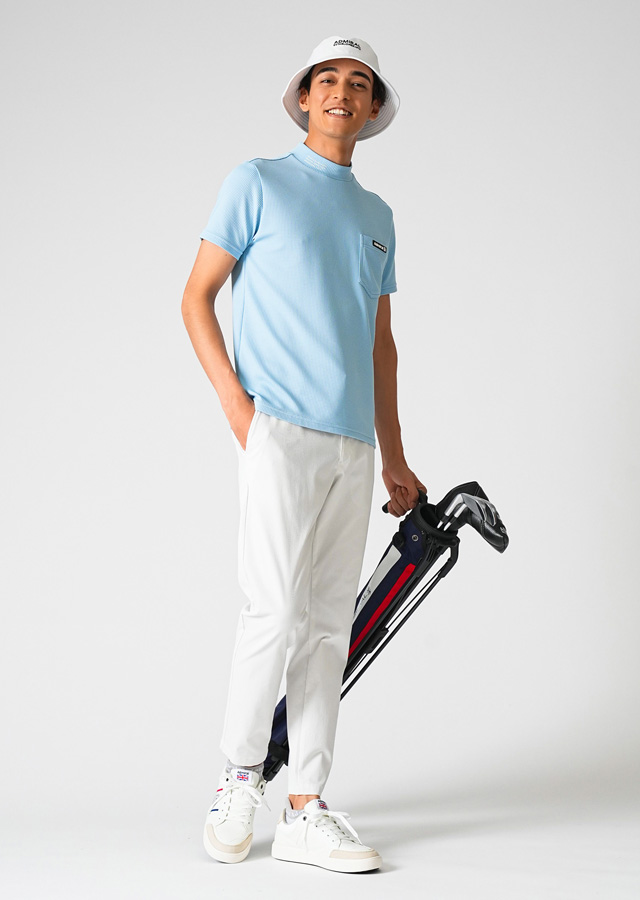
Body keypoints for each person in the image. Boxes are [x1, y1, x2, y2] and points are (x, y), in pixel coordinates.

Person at [181, 34, 426, 874]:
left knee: (328, 625)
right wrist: (238, 408)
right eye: (328, 79)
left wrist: (393, 455)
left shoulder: (377, 217)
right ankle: (238, 777)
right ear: (304, 96)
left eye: (358, 83)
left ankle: (305, 808)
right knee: (272, 610)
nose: (341, 93)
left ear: (372, 107)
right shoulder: (257, 182)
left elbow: (381, 344)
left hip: (352, 445)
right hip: (277, 428)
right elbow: (196, 297)